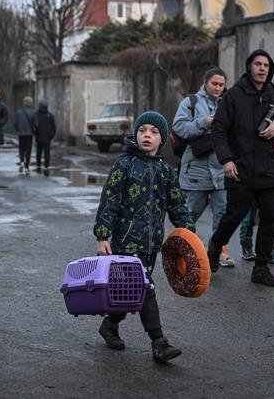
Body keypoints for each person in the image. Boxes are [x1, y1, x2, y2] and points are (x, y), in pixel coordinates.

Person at [93, 110, 195, 363]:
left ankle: (109, 325)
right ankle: (159, 342)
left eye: (153, 132)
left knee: (129, 294)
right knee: (144, 288)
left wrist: (188, 234)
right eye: (142, 131)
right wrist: (103, 236)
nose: (147, 136)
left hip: (151, 245)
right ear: (135, 134)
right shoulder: (124, 164)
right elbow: (110, 202)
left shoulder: (166, 171)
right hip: (125, 243)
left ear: (163, 139)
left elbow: (177, 205)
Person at [207, 49, 274, 287]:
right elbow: (219, 131)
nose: (262, 68)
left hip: (268, 169)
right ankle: (215, 246)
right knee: (234, 216)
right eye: (258, 64)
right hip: (239, 168)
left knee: (270, 218)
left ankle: (261, 268)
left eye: (266, 65)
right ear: (249, 67)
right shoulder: (233, 96)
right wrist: (226, 160)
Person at [173, 66, 234, 267]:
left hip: (221, 168)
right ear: (205, 82)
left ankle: (219, 252)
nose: (217, 88)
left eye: (221, 85)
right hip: (195, 168)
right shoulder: (191, 102)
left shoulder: (230, 102)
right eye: (214, 84)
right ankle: (182, 250)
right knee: (190, 214)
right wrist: (204, 122)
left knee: (223, 215)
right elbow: (179, 127)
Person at [32, 100, 56, 176]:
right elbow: (54, 127)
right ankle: (46, 165)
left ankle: (38, 164)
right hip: (47, 137)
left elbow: (34, 125)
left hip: (39, 136)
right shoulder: (50, 115)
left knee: (39, 152)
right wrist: (51, 135)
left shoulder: (36, 114)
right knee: (46, 152)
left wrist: (35, 133)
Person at [14, 96, 35, 176]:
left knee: (21, 149)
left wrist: (18, 130)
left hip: (21, 134)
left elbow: (15, 123)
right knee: (28, 150)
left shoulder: (19, 112)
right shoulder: (33, 112)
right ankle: (27, 167)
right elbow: (35, 123)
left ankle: (22, 161)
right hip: (29, 134)